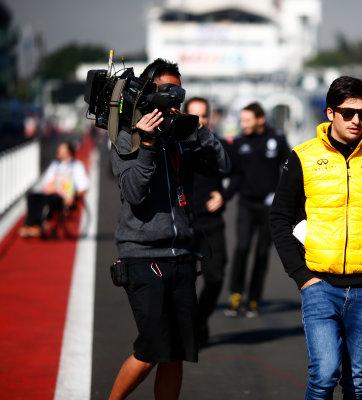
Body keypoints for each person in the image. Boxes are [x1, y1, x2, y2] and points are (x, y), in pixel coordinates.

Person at [270, 76, 362, 399]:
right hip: (320, 286)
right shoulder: (302, 157)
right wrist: (303, 277)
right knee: (324, 375)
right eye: (348, 113)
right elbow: (279, 219)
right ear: (330, 113)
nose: (356, 121)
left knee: (358, 382)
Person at [108, 59, 230, 400]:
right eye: (166, 92)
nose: (173, 99)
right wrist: (146, 144)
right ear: (147, 95)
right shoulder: (125, 137)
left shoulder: (180, 135)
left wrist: (199, 128)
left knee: (175, 353)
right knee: (150, 351)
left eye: (178, 92)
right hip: (143, 257)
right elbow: (134, 192)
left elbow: (223, 165)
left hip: (182, 257)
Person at [224, 102, 290, 317]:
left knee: (262, 252)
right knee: (242, 247)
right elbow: (231, 172)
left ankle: (253, 298)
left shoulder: (277, 139)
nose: (243, 124)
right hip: (246, 203)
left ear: (260, 119)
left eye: (247, 120)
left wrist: (281, 195)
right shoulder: (239, 142)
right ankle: (236, 294)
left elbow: (289, 169)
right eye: (241, 120)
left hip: (269, 205)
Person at [183, 97, 232, 347]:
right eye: (194, 116)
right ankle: (190, 327)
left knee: (215, 277)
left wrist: (223, 195)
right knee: (185, 282)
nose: (199, 121)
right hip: (183, 224)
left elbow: (238, 174)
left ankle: (200, 319)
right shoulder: (174, 145)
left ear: (210, 118)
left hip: (212, 223)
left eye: (203, 116)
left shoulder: (218, 145)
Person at [19, 141, 89, 238]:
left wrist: (73, 195)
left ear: (68, 152)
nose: (58, 152)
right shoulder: (55, 165)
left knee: (49, 199)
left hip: (63, 197)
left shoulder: (77, 166)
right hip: (50, 193)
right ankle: (30, 224)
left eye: (61, 151)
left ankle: (38, 225)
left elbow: (84, 187)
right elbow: (45, 182)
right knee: (32, 196)